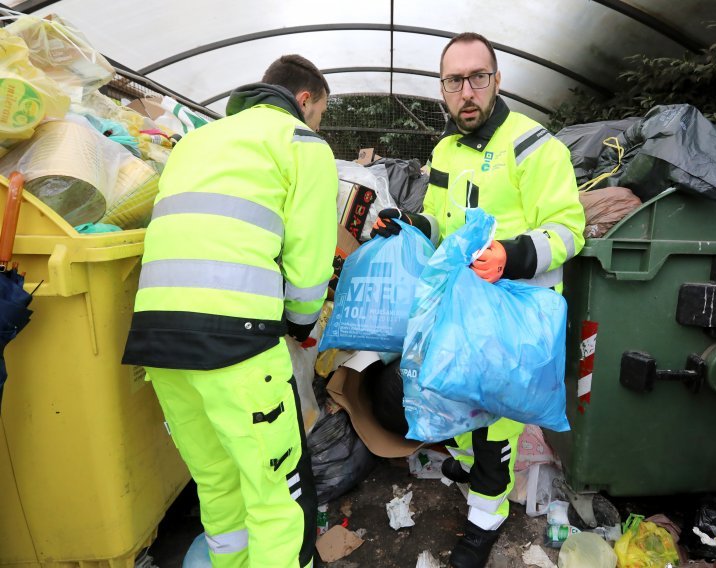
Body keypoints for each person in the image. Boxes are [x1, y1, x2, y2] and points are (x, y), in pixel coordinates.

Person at [372, 33, 585, 568]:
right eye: (454, 81)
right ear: (442, 88)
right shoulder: (444, 150)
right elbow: (443, 219)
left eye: (476, 78)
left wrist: (510, 256)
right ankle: (469, 471)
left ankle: (485, 524)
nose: (466, 92)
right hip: (462, 312)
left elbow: (568, 230)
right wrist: (411, 222)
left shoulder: (535, 146)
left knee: (494, 432)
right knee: (455, 405)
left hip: (511, 320)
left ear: (496, 80)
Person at [122, 55, 338, 568]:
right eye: (320, 113)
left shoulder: (195, 141)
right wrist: (302, 325)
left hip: (156, 339)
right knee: (277, 495)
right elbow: (308, 269)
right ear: (303, 100)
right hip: (235, 345)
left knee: (217, 482)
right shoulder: (301, 144)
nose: (317, 124)